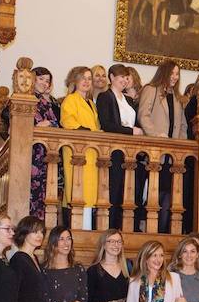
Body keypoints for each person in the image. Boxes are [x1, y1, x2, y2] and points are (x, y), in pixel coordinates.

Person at [138, 60, 187, 233]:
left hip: (172, 156)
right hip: (154, 153)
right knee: (153, 194)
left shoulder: (178, 98)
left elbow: (182, 126)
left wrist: (181, 146)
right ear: (164, 73)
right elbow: (144, 116)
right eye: (172, 73)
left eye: (177, 74)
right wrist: (156, 135)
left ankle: (162, 230)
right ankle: (149, 229)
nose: (174, 77)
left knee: (168, 195)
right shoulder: (151, 90)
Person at [97, 63, 143, 230]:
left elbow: (136, 123)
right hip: (114, 151)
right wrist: (130, 131)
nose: (124, 80)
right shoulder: (105, 97)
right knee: (114, 191)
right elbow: (107, 124)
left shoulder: (129, 100)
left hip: (131, 152)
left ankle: (127, 228)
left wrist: (137, 131)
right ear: (111, 77)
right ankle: (110, 228)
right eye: (121, 76)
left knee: (129, 192)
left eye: (126, 77)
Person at [60, 66, 100, 228]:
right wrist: (91, 132)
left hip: (92, 155)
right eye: (83, 78)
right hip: (77, 154)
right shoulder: (70, 99)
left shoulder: (91, 103)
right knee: (78, 192)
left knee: (90, 195)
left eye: (89, 78)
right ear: (74, 80)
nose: (86, 81)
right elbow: (68, 122)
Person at [30, 66, 63, 220]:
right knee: (34, 193)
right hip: (34, 152)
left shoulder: (47, 101)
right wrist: (41, 124)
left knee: (47, 192)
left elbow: (57, 123)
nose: (45, 83)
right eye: (41, 79)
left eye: (47, 81)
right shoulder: (29, 97)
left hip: (48, 151)